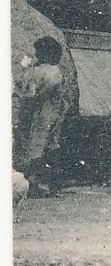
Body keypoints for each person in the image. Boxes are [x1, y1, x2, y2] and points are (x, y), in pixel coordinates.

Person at [13, 36, 68, 195]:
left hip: (46, 111)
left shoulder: (49, 71)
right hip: (50, 111)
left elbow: (43, 91)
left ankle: (36, 182)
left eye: (39, 52)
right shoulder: (48, 70)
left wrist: (32, 101)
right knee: (49, 144)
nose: (37, 55)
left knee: (38, 145)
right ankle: (51, 183)